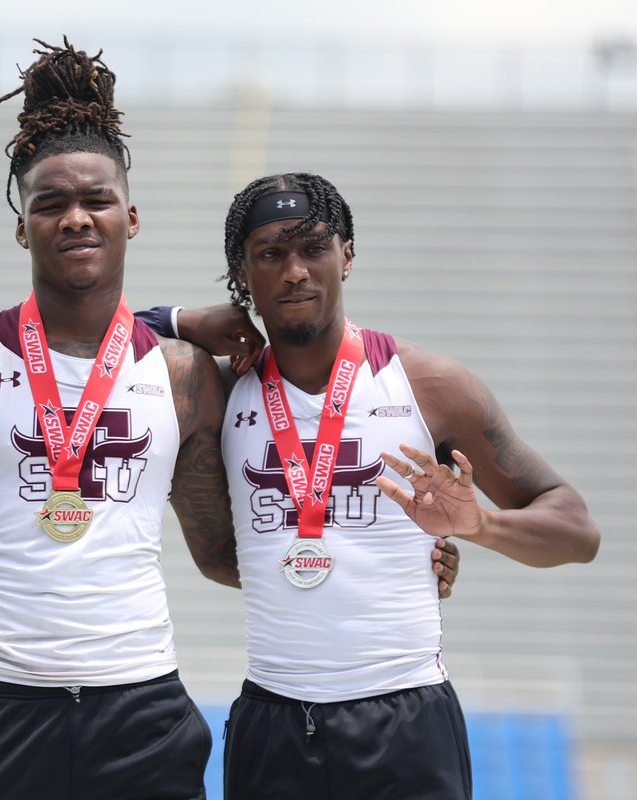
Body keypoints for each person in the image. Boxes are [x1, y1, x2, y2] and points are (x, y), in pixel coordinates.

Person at [0, 39, 240, 800]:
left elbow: (219, 553)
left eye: (96, 201)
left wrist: (387, 559)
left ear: (131, 216)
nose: (75, 218)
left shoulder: (183, 375)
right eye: (50, 204)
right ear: (24, 227)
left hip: (141, 705)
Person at [217, 172, 600, 798]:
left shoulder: (430, 386)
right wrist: (184, 319)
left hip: (407, 720)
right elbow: (116, 341)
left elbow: (578, 531)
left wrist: (482, 526)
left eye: (313, 247)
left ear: (347, 255)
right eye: (270, 254)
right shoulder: (217, 392)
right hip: (273, 719)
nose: (294, 271)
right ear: (244, 271)